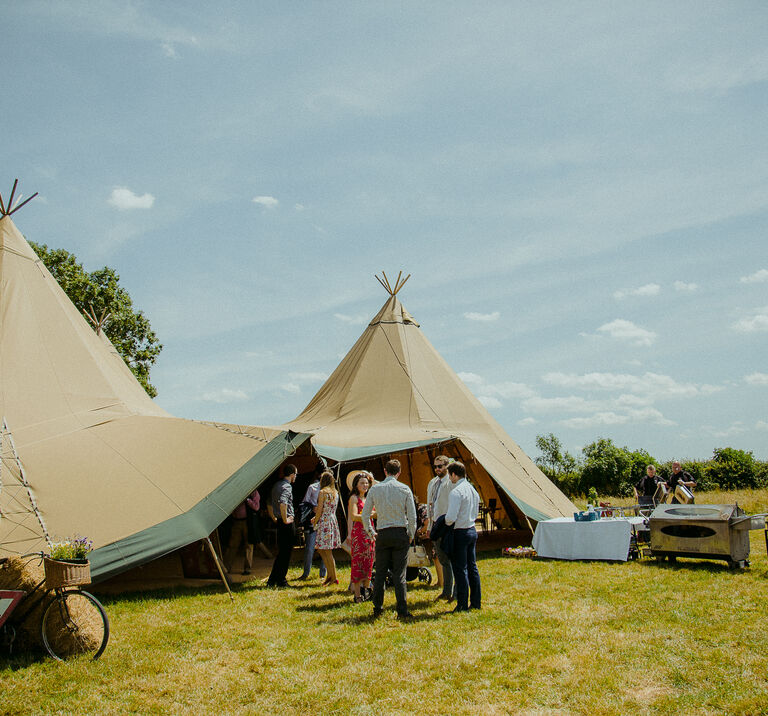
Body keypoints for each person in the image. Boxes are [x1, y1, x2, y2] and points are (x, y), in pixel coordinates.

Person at [361, 458, 417, 620]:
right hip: (400, 531)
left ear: (385, 472)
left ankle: (377, 607)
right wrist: (411, 534)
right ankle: (402, 609)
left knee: (380, 573)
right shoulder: (404, 489)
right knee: (400, 573)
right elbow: (412, 516)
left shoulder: (375, 489)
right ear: (399, 473)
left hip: (383, 532)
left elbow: (365, 515)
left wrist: (372, 533)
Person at [444, 461, 481, 613]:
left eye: (450, 475)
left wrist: (445, 521)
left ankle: (462, 604)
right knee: (472, 567)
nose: (450, 479)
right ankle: (476, 601)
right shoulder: (473, 490)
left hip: (460, 531)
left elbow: (451, 517)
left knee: (460, 569)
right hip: (472, 529)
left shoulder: (456, 492)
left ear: (453, 474)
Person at [426, 455, 455, 602]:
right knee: (442, 558)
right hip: (436, 524)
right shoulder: (432, 483)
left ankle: (455, 591)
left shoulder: (451, 483)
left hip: (448, 524)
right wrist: (430, 525)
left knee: (453, 558)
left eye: (440, 466)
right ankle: (446, 589)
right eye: (435, 466)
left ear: (447, 466)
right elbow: (430, 505)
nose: (437, 469)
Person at [266, 464, 297, 587]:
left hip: (278, 521)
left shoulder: (276, 485)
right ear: (292, 475)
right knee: (286, 552)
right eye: (295, 474)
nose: (296, 477)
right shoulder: (287, 487)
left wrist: (274, 517)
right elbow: (283, 503)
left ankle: (272, 580)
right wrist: (285, 519)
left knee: (281, 552)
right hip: (286, 523)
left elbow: (268, 502)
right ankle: (281, 581)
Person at [349, 471, 376, 603]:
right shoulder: (354, 498)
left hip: (369, 532)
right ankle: (357, 594)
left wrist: (370, 515)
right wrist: (369, 515)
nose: (365, 485)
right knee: (358, 562)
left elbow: (376, 513)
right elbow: (354, 516)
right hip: (359, 533)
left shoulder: (368, 498)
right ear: (356, 485)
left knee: (369, 561)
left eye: (366, 483)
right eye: (362, 483)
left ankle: (367, 590)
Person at [312, 470, 341, 585]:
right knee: (321, 549)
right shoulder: (335, 493)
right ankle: (329, 575)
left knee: (327, 551)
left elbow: (319, 509)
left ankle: (333, 577)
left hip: (324, 522)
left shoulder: (323, 492)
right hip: (332, 520)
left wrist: (315, 521)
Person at [298, 468, 327, 581]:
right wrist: (312, 508)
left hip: (324, 520)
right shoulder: (312, 487)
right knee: (310, 548)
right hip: (313, 520)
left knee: (324, 547)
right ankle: (306, 572)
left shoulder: (330, 490)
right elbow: (304, 503)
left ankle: (323, 573)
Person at [225, 488, 261, 575]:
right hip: (236, 521)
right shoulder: (234, 493)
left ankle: (247, 569)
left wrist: (247, 499)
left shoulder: (253, 492)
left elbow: (256, 507)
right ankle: (226, 568)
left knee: (249, 545)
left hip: (248, 522)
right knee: (232, 545)